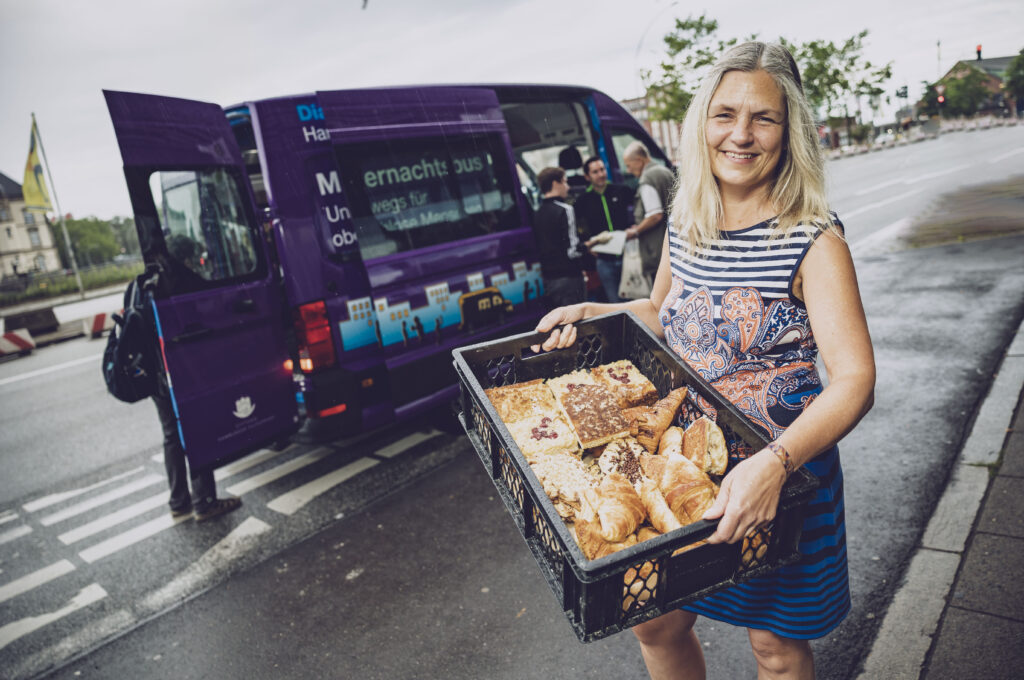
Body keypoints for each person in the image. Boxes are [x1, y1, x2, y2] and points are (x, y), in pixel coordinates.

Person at [532, 41, 875, 679]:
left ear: (790, 131)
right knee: (657, 623)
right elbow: (663, 313)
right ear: (701, 124)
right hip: (686, 468)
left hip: (782, 478)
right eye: (724, 114)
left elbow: (855, 380)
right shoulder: (688, 223)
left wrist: (774, 466)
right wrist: (593, 312)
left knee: (774, 651)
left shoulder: (814, 241)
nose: (740, 135)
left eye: (763, 118)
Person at [142, 270, 242, 523]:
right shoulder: (176, 280)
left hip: (155, 376)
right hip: (180, 372)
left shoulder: (139, 285)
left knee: (172, 436)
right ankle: (205, 502)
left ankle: (179, 501)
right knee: (197, 429)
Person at [575, 156, 635, 303]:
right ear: (587, 176)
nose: (601, 174)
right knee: (615, 304)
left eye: (602, 169)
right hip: (604, 261)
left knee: (637, 300)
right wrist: (587, 246)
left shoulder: (622, 190)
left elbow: (639, 210)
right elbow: (575, 227)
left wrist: (636, 227)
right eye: (595, 172)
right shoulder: (583, 200)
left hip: (628, 256)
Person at [622, 141, 675, 287]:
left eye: (628, 165)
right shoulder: (664, 171)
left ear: (639, 160)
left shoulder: (647, 178)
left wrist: (635, 231)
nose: (628, 170)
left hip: (657, 252)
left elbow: (654, 215)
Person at [533, 166, 586, 307]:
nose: (568, 187)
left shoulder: (537, 213)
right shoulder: (566, 210)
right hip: (569, 277)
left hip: (549, 280)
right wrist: (589, 245)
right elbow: (572, 250)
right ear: (555, 184)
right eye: (565, 182)